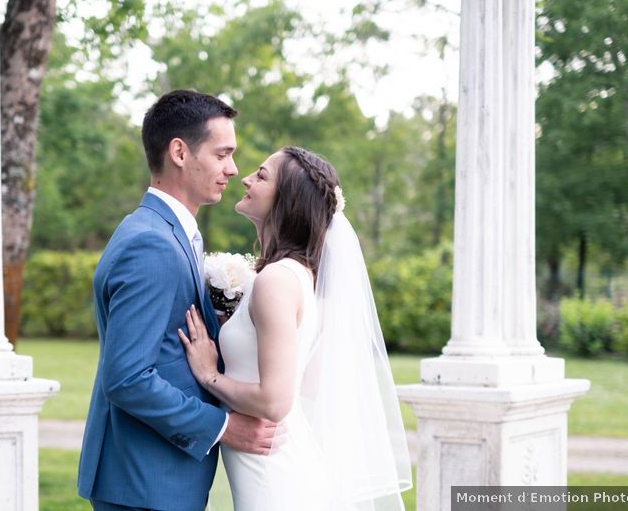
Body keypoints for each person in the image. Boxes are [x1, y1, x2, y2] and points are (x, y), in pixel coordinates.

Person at [179, 146, 413, 510]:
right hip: (276, 464)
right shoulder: (294, 276)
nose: (245, 178)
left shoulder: (277, 280)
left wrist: (210, 376)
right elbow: (308, 381)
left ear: (288, 200)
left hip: (275, 478)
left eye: (261, 175)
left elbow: (274, 401)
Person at [77, 90, 278, 511]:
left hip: (156, 477)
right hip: (144, 481)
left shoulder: (171, 233)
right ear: (180, 152)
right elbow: (127, 377)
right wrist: (223, 426)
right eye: (223, 154)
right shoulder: (152, 244)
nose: (233, 168)